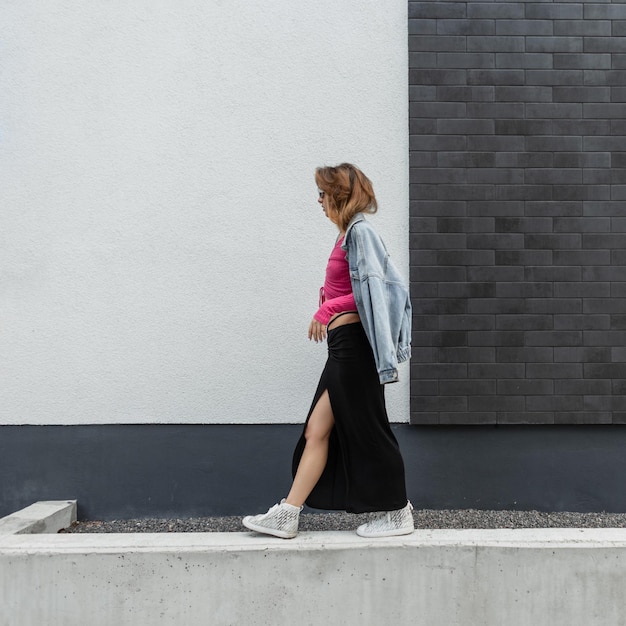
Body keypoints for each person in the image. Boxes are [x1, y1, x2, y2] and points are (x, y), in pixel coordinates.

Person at [242, 163, 413, 539]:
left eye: (322, 193)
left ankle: (399, 512)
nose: (318, 200)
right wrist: (329, 302)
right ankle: (288, 514)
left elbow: (377, 290)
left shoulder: (361, 234)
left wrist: (327, 308)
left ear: (338, 194)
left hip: (356, 350)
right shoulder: (345, 236)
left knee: (369, 428)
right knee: (316, 430)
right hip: (341, 348)